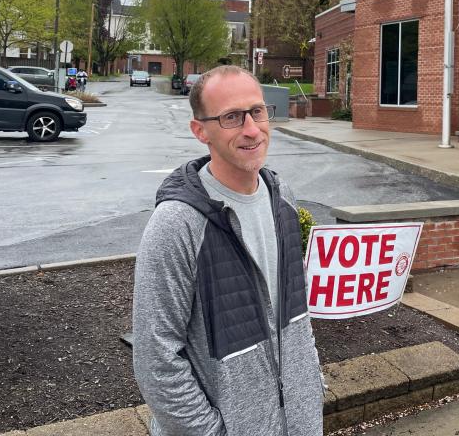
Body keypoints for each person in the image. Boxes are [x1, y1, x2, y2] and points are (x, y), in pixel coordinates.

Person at [132, 65, 323, 436]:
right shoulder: (178, 224)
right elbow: (156, 359)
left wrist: (310, 389)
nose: (252, 129)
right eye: (232, 117)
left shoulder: (282, 198)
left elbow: (297, 315)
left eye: (257, 111)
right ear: (200, 130)